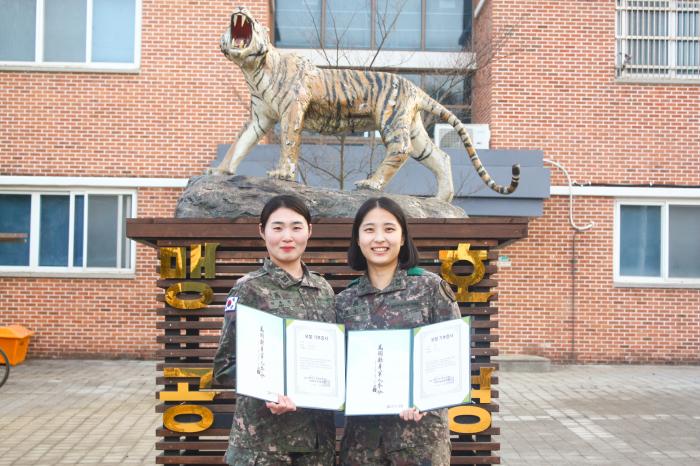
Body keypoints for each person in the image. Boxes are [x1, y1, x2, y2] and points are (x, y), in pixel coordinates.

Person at [335, 197, 461, 466]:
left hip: (420, 441)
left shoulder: (430, 289)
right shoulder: (344, 301)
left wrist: (426, 398)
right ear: (358, 239)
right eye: (369, 230)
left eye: (389, 229)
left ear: (403, 237)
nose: (379, 238)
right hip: (362, 444)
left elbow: (452, 359)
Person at [213, 195, 336, 466]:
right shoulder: (248, 289)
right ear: (262, 231)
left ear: (309, 231)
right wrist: (270, 389)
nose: (287, 237)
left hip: (317, 447)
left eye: (296, 227)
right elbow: (224, 368)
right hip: (263, 447)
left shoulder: (323, 289)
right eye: (277, 227)